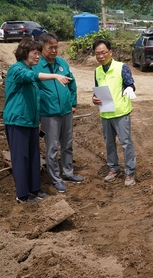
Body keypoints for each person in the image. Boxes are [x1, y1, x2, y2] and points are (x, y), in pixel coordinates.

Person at [3, 38, 71, 203]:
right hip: (17, 122)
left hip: (31, 122)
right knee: (21, 158)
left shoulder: (28, 70)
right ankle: (23, 195)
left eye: (39, 54)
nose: (38, 57)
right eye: (35, 53)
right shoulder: (16, 69)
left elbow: (35, 99)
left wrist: (38, 120)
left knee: (34, 157)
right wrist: (55, 75)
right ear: (25, 53)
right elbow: (30, 76)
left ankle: (35, 189)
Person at [34, 32, 83, 194]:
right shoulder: (37, 66)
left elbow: (72, 83)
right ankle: (55, 179)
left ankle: (68, 173)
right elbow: (34, 92)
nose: (54, 50)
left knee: (67, 144)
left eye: (56, 47)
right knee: (52, 147)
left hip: (66, 112)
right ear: (42, 48)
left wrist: (73, 103)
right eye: (50, 47)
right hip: (49, 114)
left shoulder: (62, 63)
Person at [91, 39, 137, 187]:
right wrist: (94, 98)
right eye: (97, 53)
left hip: (120, 112)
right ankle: (114, 168)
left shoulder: (121, 67)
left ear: (110, 52)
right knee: (109, 143)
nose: (101, 56)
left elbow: (129, 83)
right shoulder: (97, 71)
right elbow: (97, 90)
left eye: (103, 52)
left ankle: (129, 172)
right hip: (105, 113)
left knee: (125, 143)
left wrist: (130, 88)